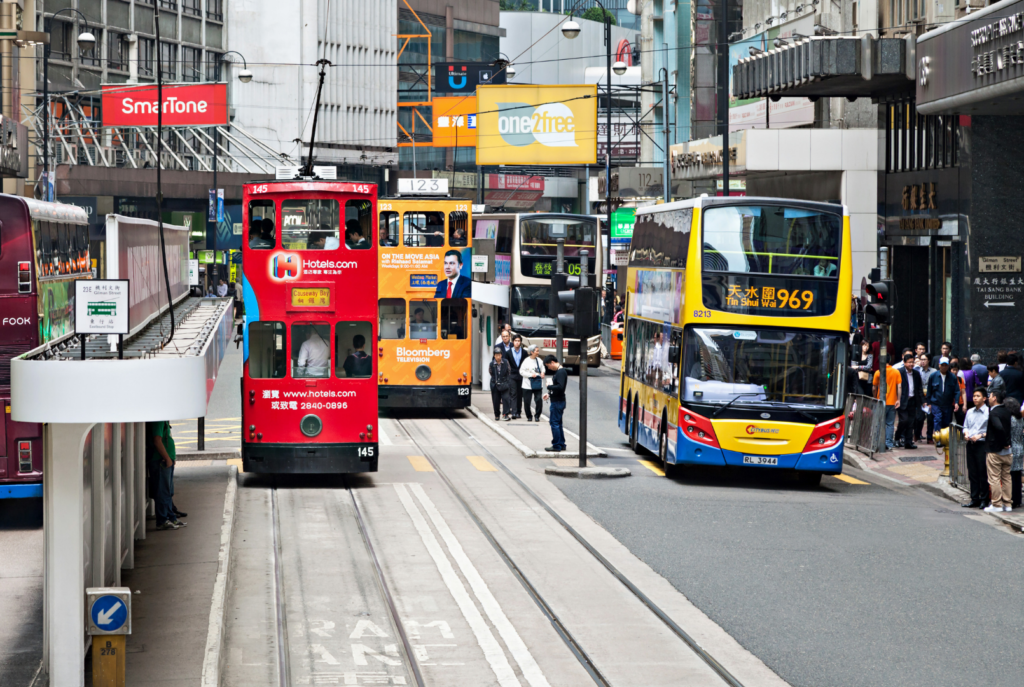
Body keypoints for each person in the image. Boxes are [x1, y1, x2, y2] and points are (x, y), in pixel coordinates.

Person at [147, 420, 186, 530]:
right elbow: (157, 440)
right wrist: (167, 458)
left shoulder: (162, 420)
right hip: (161, 461)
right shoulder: (158, 420)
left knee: (168, 491)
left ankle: (171, 517)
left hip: (165, 461)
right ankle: (162, 520)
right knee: (162, 492)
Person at [985, 388, 1014, 513]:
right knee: (1006, 477)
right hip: (1007, 452)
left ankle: (996, 504)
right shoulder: (1007, 411)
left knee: (994, 478)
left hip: (996, 450)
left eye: (990, 396)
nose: (988, 398)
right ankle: (1007, 504)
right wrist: (1007, 443)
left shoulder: (993, 412)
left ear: (994, 398)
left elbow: (998, 427)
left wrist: (1004, 443)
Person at [962, 388, 990, 509]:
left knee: (982, 473)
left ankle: (984, 499)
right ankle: (974, 498)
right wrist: (966, 433)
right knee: (972, 472)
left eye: (978, 396)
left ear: (984, 398)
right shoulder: (969, 411)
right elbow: (965, 426)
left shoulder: (989, 412)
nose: (975, 398)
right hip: (971, 445)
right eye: (974, 396)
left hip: (982, 445)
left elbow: (991, 431)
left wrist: (980, 435)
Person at [873, 361, 902, 450]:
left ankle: (877, 442)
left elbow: (874, 387)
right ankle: (888, 443)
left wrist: (875, 398)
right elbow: (899, 386)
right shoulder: (896, 372)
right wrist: (898, 399)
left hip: (880, 402)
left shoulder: (878, 372)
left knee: (878, 423)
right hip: (892, 402)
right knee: (890, 424)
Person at [897, 352, 923, 449]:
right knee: (904, 420)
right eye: (909, 362)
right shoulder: (899, 372)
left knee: (911, 422)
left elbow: (919, 388)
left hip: (913, 400)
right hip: (902, 400)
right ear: (904, 362)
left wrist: (922, 401)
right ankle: (897, 437)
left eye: (912, 362)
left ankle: (908, 442)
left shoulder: (916, 373)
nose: (911, 364)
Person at [543, 355, 569, 452]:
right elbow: (558, 389)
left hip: (557, 402)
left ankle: (557, 445)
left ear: (552, 362)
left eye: (548, 366)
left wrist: (549, 387)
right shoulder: (560, 372)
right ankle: (561, 443)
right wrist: (549, 394)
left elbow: (560, 387)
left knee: (554, 423)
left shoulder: (561, 372)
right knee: (558, 423)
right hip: (558, 400)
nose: (548, 368)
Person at [927, 357, 959, 431]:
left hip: (947, 404)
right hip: (936, 403)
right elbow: (929, 390)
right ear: (939, 365)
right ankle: (937, 439)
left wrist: (956, 402)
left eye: (946, 365)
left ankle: (944, 439)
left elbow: (956, 391)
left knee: (946, 422)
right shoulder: (933, 376)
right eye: (942, 365)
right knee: (937, 419)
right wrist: (929, 403)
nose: (944, 367)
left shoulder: (952, 377)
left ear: (948, 366)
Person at [1006, 396, 1023, 510]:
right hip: (1020, 447)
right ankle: (1018, 499)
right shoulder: (1020, 418)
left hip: (1012, 448)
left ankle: (1012, 498)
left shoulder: (1010, 419)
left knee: (1010, 475)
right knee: (1017, 475)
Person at [519, 345, 544, 422]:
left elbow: (543, 369)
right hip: (527, 385)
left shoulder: (539, 360)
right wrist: (530, 375)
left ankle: (537, 416)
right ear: (531, 352)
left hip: (537, 384)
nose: (538, 352)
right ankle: (529, 416)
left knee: (539, 400)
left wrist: (543, 373)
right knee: (527, 401)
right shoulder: (526, 361)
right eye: (536, 351)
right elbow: (521, 371)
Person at [489, 346, 513, 421]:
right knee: (496, 400)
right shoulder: (491, 364)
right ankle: (496, 415)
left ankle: (505, 414)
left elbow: (509, 371)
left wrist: (507, 381)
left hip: (505, 383)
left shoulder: (506, 362)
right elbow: (491, 372)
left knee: (506, 399)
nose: (498, 357)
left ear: (501, 355)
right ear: (494, 355)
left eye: (499, 355)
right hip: (495, 384)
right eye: (496, 355)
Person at [915, 354, 935, 442]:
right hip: (920, 397)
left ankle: (929, 436)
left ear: (929, 360)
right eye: (921, 359)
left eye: (925, 359)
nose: (922, 361)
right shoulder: (917, 371)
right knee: (920, 417)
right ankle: (917, 434)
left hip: (930, 397)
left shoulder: (934, 371)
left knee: (930, 418)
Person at [508, 334, 526, 419]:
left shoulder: (524, 352)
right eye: (515, 341)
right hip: (512, 375)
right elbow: (507, 364)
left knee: (520, 394)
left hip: (521, 375)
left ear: (521, 342)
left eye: (519, 341)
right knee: (513, 393)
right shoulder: (508, 352)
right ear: (513, 342)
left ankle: (519, 411)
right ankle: (514, 412)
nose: (517, 342)